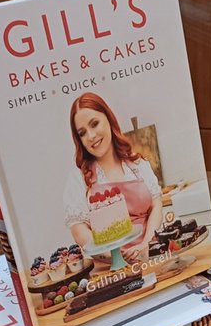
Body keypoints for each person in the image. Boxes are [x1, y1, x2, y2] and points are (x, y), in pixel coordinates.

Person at [62, 92, 162, 266]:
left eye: (94, 124)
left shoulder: (137, 164)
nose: (91, 136)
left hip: (151, 255)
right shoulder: (77, 179)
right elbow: (79, 231)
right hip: (109, 268)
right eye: (82, 133)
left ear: (109, 119)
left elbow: (156, 204)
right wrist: (115, 256)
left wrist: (145, 244)